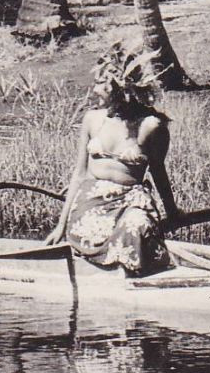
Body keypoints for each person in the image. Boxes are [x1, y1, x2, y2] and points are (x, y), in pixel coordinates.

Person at [44, 45, 181, 277]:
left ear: (116, 88)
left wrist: (173, 212)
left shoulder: (150, 126)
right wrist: (61, 225)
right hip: (91, 203)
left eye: (99, 84)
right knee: (92, 232)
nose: (95, 90)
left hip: (130, 202)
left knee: (135, 225)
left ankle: (128, 275)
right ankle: (110, 270)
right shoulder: (92, 119)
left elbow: (158, 172)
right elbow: (80, 174)